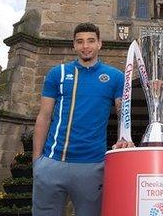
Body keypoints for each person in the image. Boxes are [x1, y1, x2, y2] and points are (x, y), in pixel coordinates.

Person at [32, 23, 133, 216]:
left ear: (100, 44)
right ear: (74, 45)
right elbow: (44, 116)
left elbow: (123, 114)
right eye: (80, 42)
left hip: (92, 165)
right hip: (52, 163)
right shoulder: (57, 73)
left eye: (90, 41)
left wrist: (124, 137)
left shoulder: (116, 77)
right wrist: (37, 160)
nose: (85, 46)